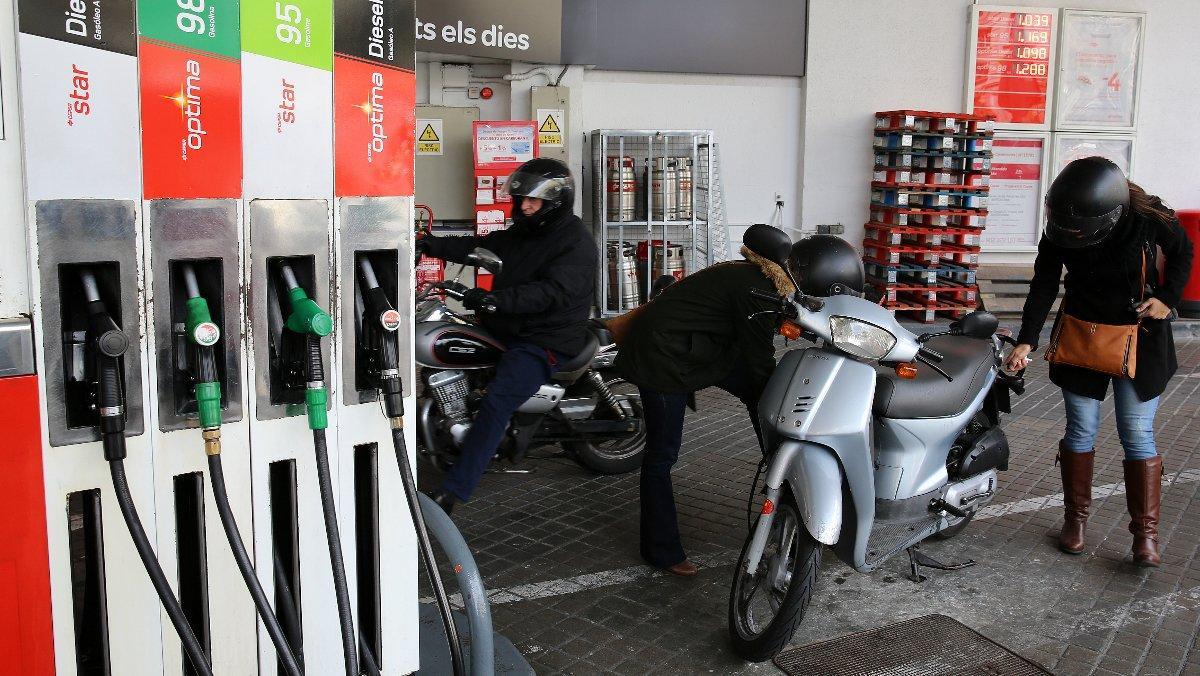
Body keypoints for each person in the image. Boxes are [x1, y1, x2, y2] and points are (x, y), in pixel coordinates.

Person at [611, 228, 864, 576]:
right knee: (661, 456)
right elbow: (759, 360)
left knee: (764, 399)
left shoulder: (764, 279)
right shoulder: (760, 290)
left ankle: (784, 475)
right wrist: (782, 412)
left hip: (701, 349)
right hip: (664, 358)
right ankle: (661, 550)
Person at [1006, 157, 1193, 567]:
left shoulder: (1147, 218)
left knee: (1136, 432)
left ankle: (1145, 536)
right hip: (1082, 337)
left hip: (1139, 338)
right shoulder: (1061, 228)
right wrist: (1026, 341)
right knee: (1081, 429)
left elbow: (1183, 252)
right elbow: (1043, 284)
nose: (1074, 231)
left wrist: (1167, 300)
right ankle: (1076, 523)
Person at [417, 158, 598, 513]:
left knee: (498, 399)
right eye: (521, 200)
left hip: (543, 338)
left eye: (534, 201)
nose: (525, 206)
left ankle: (454, 491)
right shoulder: (525, 232)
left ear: (557, 201)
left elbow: (550, 293)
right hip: (508, 326)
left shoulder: (575, 243)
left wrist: (495, 299)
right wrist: (432, 246)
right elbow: (485, 248)